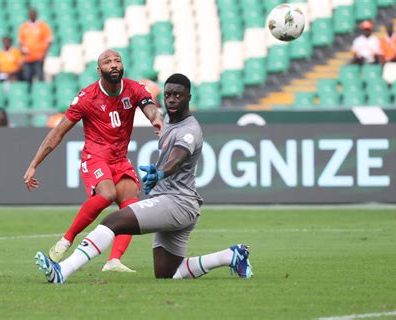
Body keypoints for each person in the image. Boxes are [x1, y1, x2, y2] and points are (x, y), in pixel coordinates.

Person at [34, 73, 253, 283]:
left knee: (113, 222)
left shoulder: (190, 130)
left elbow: (178, 156)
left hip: (177, 202)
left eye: (178, 95)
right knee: (167, 272)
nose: (172, 99)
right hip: (177, 203)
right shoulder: (170, 121)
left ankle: (63, 270)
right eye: (168, 95)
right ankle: (231, 256)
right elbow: (150, 111)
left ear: (189, 98)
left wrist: (161, 172)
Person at [24, 49, 163, 272]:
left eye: (118, 60)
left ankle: (114, 261)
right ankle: (66, 240)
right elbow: (58, 133)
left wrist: (156, 120)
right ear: (99, 70)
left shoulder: (134, 88)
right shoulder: (87, 98)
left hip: (119, 159)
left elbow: (149, 108)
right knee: (107, 194)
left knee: (131, 205)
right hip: (95, 156)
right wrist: (34, 164)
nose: (114, 64)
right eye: (108, 62)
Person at [18, 8, 53, 83]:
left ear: (36, 14)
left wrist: (44, 54)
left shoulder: (42, 26)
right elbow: (20, 41)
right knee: (27, 77)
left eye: (33, 13)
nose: (32, 15)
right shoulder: (24, 26)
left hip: (38, 57)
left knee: (40, 76)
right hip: (28, 57)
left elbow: (49, 40)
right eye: (30, 13)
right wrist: (22, 50)